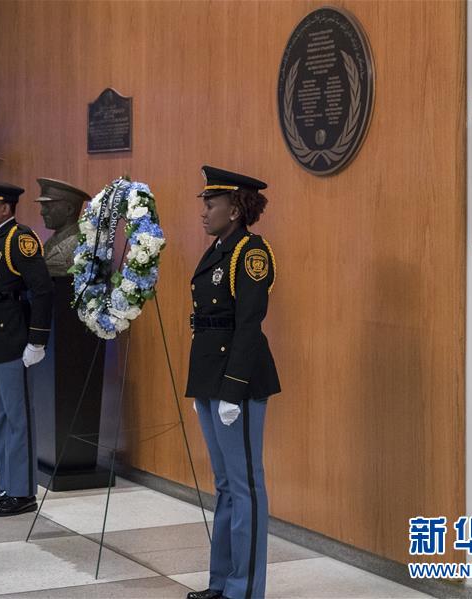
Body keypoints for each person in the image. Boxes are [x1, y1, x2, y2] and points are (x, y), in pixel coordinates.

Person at [185, 165, 280, 599]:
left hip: (236, 382)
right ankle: (221, 582)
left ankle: (246, 589)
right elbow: (206, 322)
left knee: (245, 487)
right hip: (211, 380)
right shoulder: (218, 250)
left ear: (236, 207)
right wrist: (204, 387)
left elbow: (247, 325)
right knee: (224, 484)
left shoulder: (250, 252)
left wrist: (231, 388)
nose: (204, 210)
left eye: (212, 202)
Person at [0, 180, 54, 516]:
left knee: (17, 417)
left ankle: (22, 492)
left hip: (13, 338)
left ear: (4, 207)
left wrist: (37, 340)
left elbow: (43, 291)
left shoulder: (20, 239)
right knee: (2, 417)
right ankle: (6, 484)